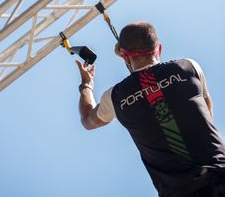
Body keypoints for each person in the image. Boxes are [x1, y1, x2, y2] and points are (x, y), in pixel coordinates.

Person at [75, 21, 225, 197]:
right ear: (159, 48)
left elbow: (88, 119)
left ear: (124, 57)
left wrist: (87, 85)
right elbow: (207, 112)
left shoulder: (115, 97)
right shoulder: (188, 67)